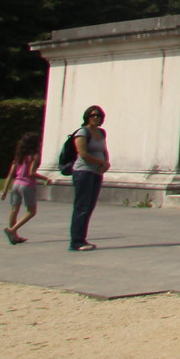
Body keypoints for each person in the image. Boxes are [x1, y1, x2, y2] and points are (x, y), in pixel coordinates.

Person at [68, 105, 109, 252]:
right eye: (93, 115)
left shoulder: (101, 132)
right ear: (87, 117)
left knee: (89, 206)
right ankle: (76, 241)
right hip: (83, 172)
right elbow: (83, 154)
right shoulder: (82, 132)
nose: (96, 118)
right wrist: (101, 162)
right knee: (82, 207)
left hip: (96, 172)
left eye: (98, 115)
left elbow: (104, 150)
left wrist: (106, 163)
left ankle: (82, 238)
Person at [0, 132, 49, 244]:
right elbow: (31, 173)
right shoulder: (35, 155)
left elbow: (11, 174)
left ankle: (14, 236)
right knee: (31, 211)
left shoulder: (19, 156)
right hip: (27, 185)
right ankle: (12, 230)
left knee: (14, 209)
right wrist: (45, 178)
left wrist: (5, 190)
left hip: (16, 184)